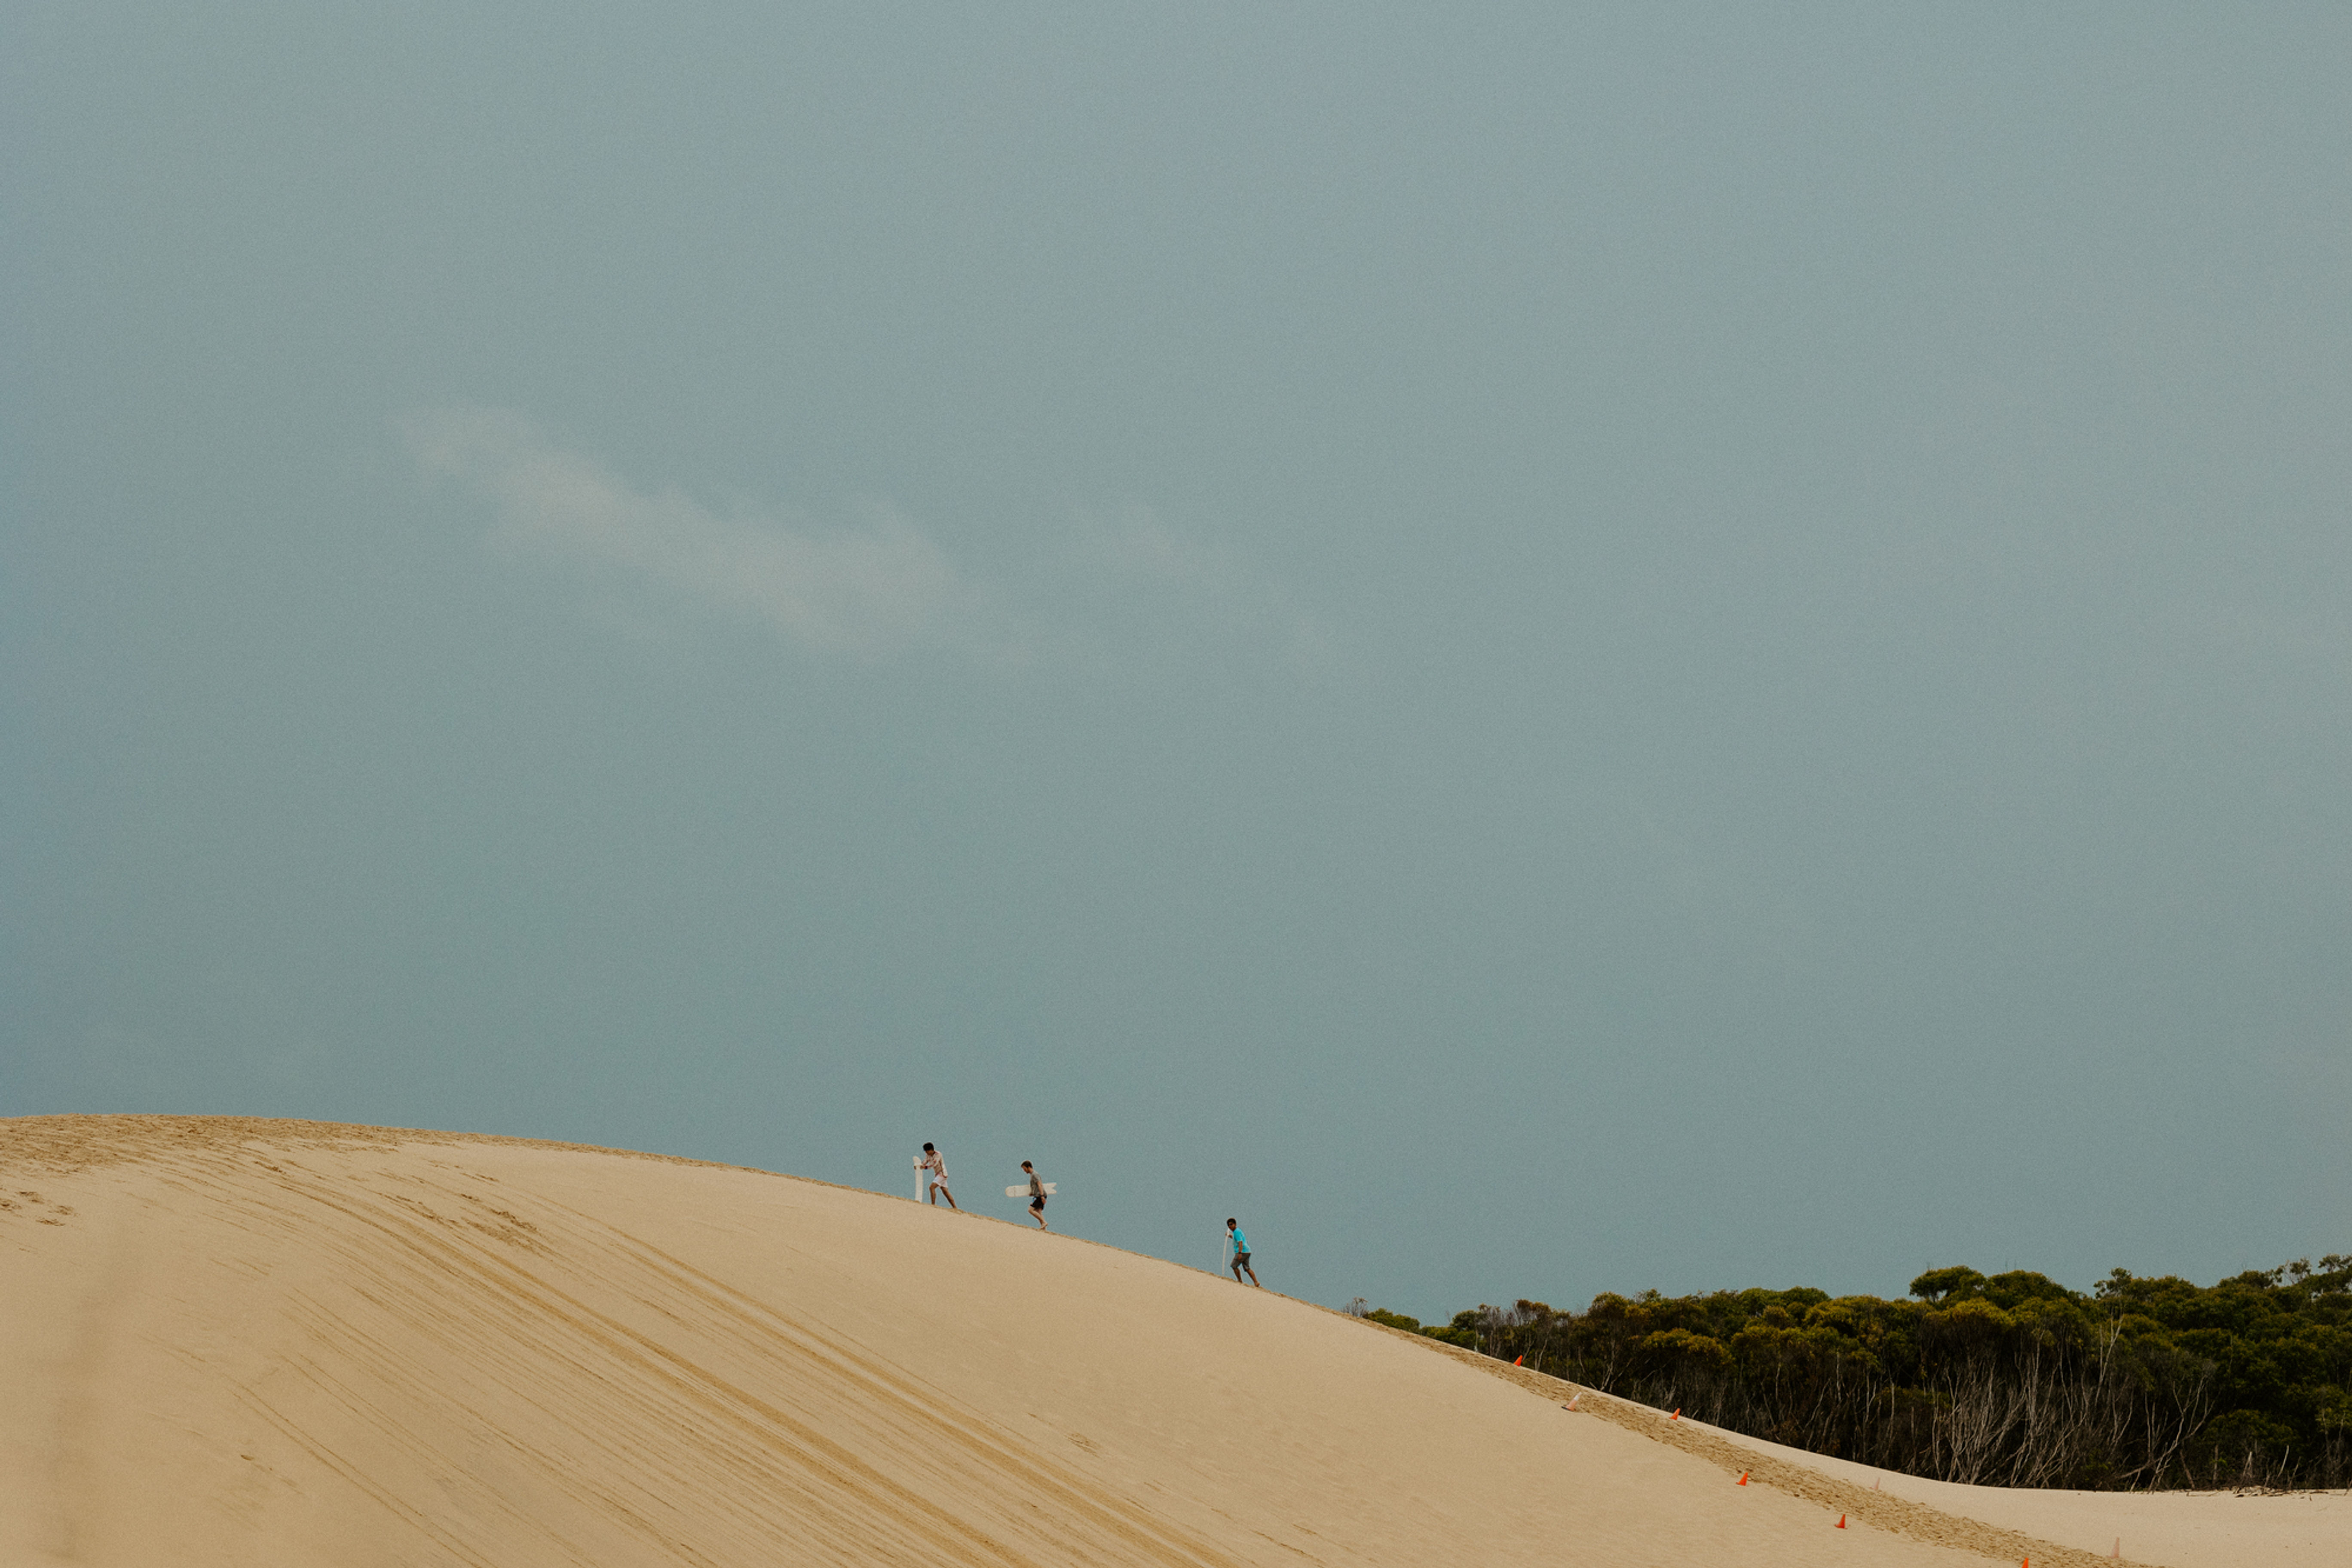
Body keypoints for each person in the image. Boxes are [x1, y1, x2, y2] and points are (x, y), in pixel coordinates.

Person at [920, 1142, 956, 1210]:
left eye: (927, 1151)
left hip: (942, 1174)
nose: (926, 1152)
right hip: (938, 1174)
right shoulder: (928, 1155)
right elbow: (925, 1161)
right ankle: (955, 1208)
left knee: (932, 1187)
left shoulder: (938, 1155)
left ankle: (933, 1205)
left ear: (931, 1150)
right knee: (945, 1191)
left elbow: (934, 1164)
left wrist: (925, 1168)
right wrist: (919, 1166)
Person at [1227, 1218, 1259, 1286]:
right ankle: (1256, 1282)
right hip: (1247, 1251)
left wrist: (1240, 1253)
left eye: (1231, 1224)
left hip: (1243, 1251)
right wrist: (1230, 1236)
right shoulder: (1237, 1232)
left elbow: (1240, 1242)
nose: (1230, 1227)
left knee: (1234, 1266)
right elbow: (1237, 1240)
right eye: (1229, 1225)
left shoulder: (1237, 1232)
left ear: (1235, 1224)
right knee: (1247, 1268)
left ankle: (1240, 1281)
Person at [1021, 1160, 1048, 1229]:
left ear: (1029, 1167)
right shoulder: (1032, 1175)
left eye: (1025, 1169)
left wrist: (1042, 1196)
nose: (1024, 1171)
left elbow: (1040, 1184)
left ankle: (1044, 1222)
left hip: (1040, 1196)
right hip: (1039, 1195)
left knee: (1031, 1210)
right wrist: (1033, 1192)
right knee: (1039, 1212)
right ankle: (1044, 1228)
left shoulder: (1034, 1174)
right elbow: (1036, 1186)